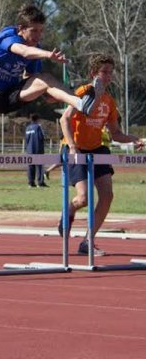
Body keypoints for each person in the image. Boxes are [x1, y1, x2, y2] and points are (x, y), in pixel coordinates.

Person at [0, 3, 104, 177]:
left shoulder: (36, 48)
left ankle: (80, 103)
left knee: (46, 78)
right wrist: (48, 54)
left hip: (10, 94)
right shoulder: (8, 36)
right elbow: (24, 51)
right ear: (21, 29)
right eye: (34, 31)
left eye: (41, 31)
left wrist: (48, 94)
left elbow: (35, 80)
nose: (38, 36)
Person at [59, 53, 144, 256]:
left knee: (107, 195)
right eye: (104, 72)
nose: (108, 76)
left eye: (110, 73)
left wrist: (135, 139)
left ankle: (88, 241)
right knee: (83, 199)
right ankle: (68, 211)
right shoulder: (83, 92)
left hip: (97, 149)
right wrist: (72, 147)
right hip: (76, 147)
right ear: (93, 74)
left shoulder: (109, 101)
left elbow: (116, 133)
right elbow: (64, 119)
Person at [25, 113, 47, 187]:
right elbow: (42, 137)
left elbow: (26, 139)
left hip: (29, 150)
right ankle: (40, 183)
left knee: (30, 166)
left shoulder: (27, 128)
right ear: (37, 119)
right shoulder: (38, 127)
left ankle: (31, 183)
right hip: (38, 149)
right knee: (40, 166)